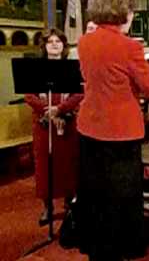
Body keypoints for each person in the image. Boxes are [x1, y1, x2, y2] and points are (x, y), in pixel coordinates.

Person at [76, 0, 149, 261]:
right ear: (124, 12)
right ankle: (119, 249)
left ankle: (96, 249)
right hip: (120, 132)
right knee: (121, 196)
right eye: (131, 11)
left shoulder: (85, 42)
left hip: (89, 128)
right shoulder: (129, 46)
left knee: (95, 193)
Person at [25, 28, 83, 225]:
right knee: (44, 166)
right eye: (51, 42)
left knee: (68, 163)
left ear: (64, 46)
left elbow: (78, 94)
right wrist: (47, 110)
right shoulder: (35, 69)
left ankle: (69, 205)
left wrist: (60, 109)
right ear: (45, 46)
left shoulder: (72, 68)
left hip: (65, 121)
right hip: (43, 125)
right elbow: (29, 96)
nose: (55, 44)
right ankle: (47, 207)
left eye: (58, 41)